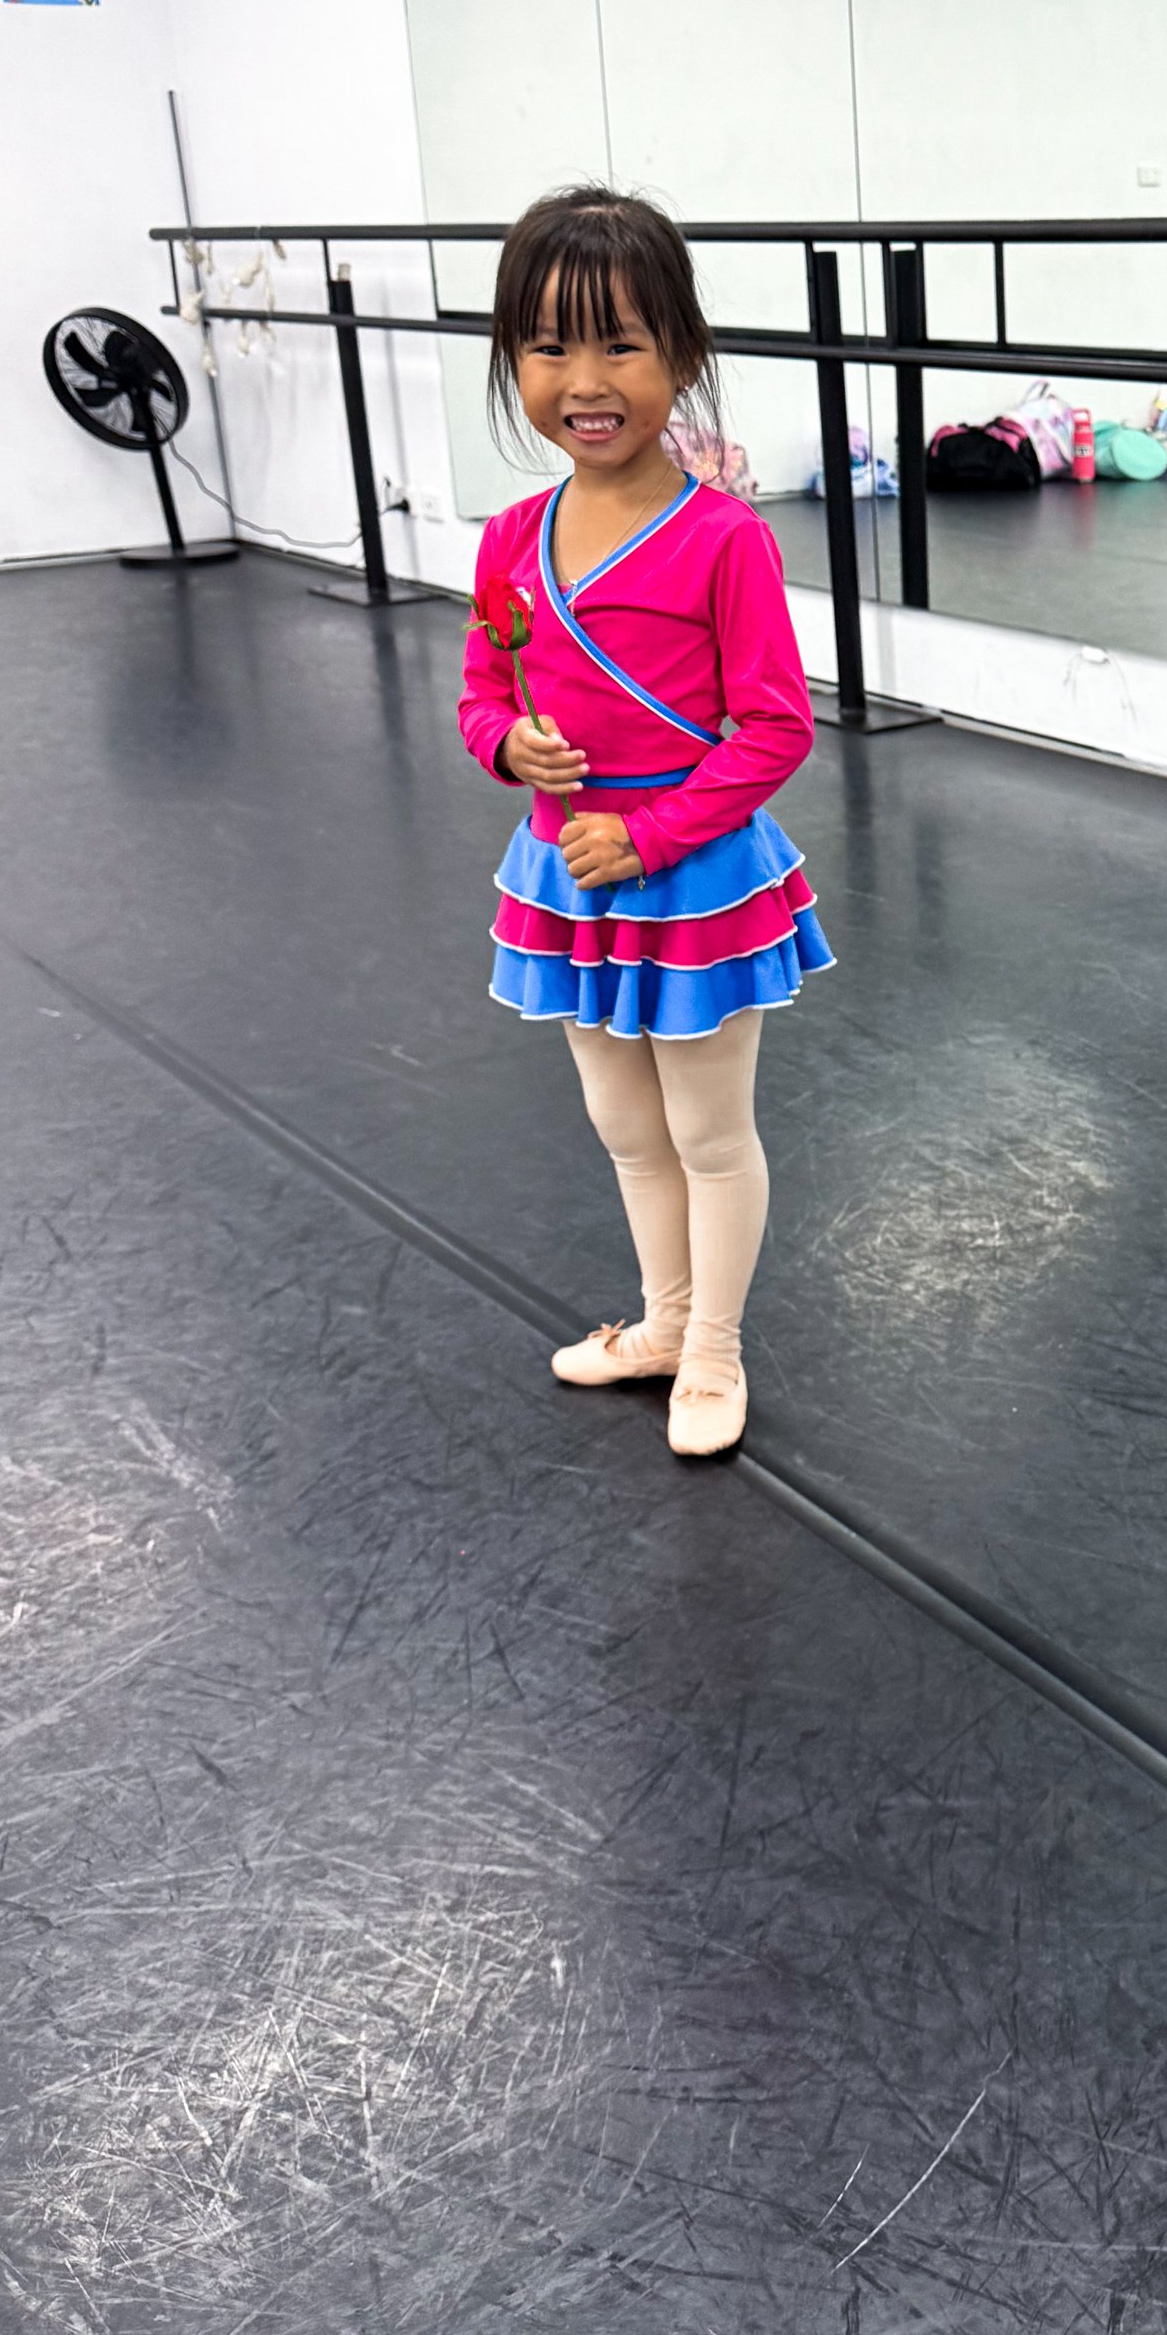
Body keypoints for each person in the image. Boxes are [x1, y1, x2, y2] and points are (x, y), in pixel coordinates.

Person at [458, 186, 831, 1461]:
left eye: (620, 342)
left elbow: (775, 727)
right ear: (514, 360)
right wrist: (508, 743)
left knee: (708, 1131)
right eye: (551, 346)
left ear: (681, 354)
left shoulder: (722, 540)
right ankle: (665, 1322)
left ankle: (715, 1349)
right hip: (568, 876)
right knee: (624, 1127)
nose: (586, 379)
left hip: (690, 882)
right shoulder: (511, 537)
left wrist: (656, 834)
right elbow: (481, 692)